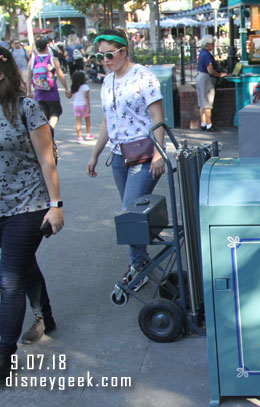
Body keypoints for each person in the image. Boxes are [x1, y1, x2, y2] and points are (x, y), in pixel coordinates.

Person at [0, 46, 63, 380]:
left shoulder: (25, 107)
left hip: (27, 204)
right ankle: (45, 315)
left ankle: (4, 356)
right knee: (20, 264)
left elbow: (46, 159)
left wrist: (56, 206)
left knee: (8, 280)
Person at [86, 29, 165, 285]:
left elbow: (158, 119)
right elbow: (106, 123)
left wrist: (159, 154)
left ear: (123, 51)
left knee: (129, 213)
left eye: (110, 55)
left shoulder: (144, 76)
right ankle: (141, 262)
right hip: (119, 157)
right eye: (101, 56)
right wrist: (95, 154)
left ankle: (137, 268)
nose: (106, 60)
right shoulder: (107, 82)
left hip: (143, 154)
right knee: (134, 216)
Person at [26, 38, 71, 129]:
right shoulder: (53, 59)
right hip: (52, 93)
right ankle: (50, 130)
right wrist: (66, 89)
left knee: (44, 116)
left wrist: (28, 91)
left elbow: (29, 77)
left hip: (39, 93)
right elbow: (60, 75)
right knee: (55, 113)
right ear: (47, 47)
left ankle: (47, 134)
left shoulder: (32, 61)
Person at [196, 35, 226, 132]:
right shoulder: (207, 55)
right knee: (207, 103)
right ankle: (209, 125)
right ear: (207, 45)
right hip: (206, 79)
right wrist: (219, 75)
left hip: (200, 77)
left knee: (202, 103)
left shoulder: (202, 53)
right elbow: (210, 70)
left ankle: (203, 123)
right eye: (212, 44)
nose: (213, 46)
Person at [68, 70, 92, 143]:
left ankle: (79, 137)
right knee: (87, 120)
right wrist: (88, 107)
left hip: (76, 105)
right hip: (83, 105)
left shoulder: (74, 87)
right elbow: (87, 97)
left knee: (78, 121)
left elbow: (69, 96)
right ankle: (88, 134)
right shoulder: (85, 87)